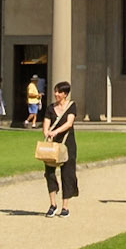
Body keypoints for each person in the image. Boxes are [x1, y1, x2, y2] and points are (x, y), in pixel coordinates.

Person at [41, 81, 78, 217]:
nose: (56, 94)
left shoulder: (71, 106)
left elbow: (69, 123)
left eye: (59, 92)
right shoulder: (50, 108)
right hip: (52, 146)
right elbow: (46, 123)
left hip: (67, 145)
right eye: (55, 91)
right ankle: (52, 204)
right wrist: (46, 132)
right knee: (49, 173)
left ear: (65, 94)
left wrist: (55, 132)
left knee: (67, 174)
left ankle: (65, 206)